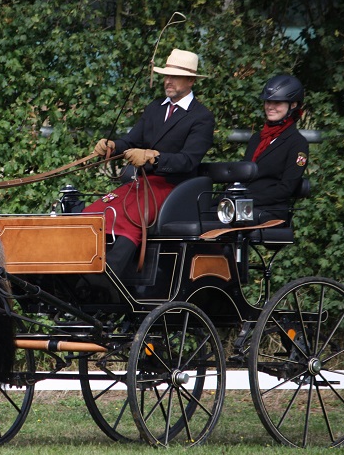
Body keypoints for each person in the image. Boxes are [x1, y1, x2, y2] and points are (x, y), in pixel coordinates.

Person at [82, 48, 215, 283]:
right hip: (143, 184)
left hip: (174, 187)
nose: (168, 81)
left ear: (191, 80)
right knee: (94, 212)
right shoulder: (156, 108)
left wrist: (154, 157)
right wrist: (112, 145)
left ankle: (106, 279)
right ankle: (79, 269)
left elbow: (188, 160)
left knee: (131, 217)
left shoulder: (201, 117)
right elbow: (131, 141)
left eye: (175, 76)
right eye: (166, 75)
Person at [242, 74, 308, 223]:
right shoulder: (256, 138)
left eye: (277, 102)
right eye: (268, 101)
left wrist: (246, 199)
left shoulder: (297, 143)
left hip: (271, 209)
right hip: (244, 205)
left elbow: (286, 188)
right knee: (202, 213)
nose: (270, 107)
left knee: (221, 219)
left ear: (293, 105)